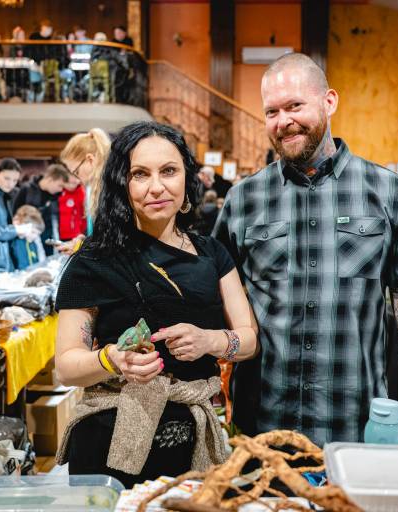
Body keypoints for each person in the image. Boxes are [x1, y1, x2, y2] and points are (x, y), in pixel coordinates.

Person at [213, 53, 398, 447]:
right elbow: (217, 298)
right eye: (271, 111)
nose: (283, 121)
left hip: (356, 421)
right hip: (263, 423)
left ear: (329, 101)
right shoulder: (243, 199)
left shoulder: (388, 191)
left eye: (294, 106)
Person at [54, 121, 259, 486]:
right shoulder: (94, 260)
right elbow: (67, 366)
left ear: (186, 177)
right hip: (109, 438)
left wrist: (210, 340)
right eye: (140, 174)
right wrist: (112, 359)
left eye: (168, 171)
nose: (156, 187)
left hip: (193, 440)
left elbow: (249, 339)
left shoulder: (212, 254)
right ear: (122, 182)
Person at [58, 128, 111, 253]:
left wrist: (82, 246)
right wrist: (84, 239)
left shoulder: (111, 190)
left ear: (90, 160)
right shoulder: (94, 189)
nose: (77, 179)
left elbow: (112, 239)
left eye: (76, 172)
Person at [12, 163, 69, 254]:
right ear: (50, 179)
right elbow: (14, 214)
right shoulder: (26, 190)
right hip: (28, 240)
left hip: (47, 242)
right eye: (60, 185)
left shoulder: (55, 196)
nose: (61, 190)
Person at [11, 205, 46, 269]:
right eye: (33, 232)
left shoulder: (32, 242)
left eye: (38, 234)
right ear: (24, 227)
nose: (35, 236)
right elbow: (22, 266)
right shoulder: (17, 243)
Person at [58, 172, 86, 241]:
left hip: (76, 234)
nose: (71, 186)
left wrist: (81, 232)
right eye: (69, 183)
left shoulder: (81, 192)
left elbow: (84, 214)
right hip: (59, 234)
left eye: (74, 183)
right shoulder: (58, 192)